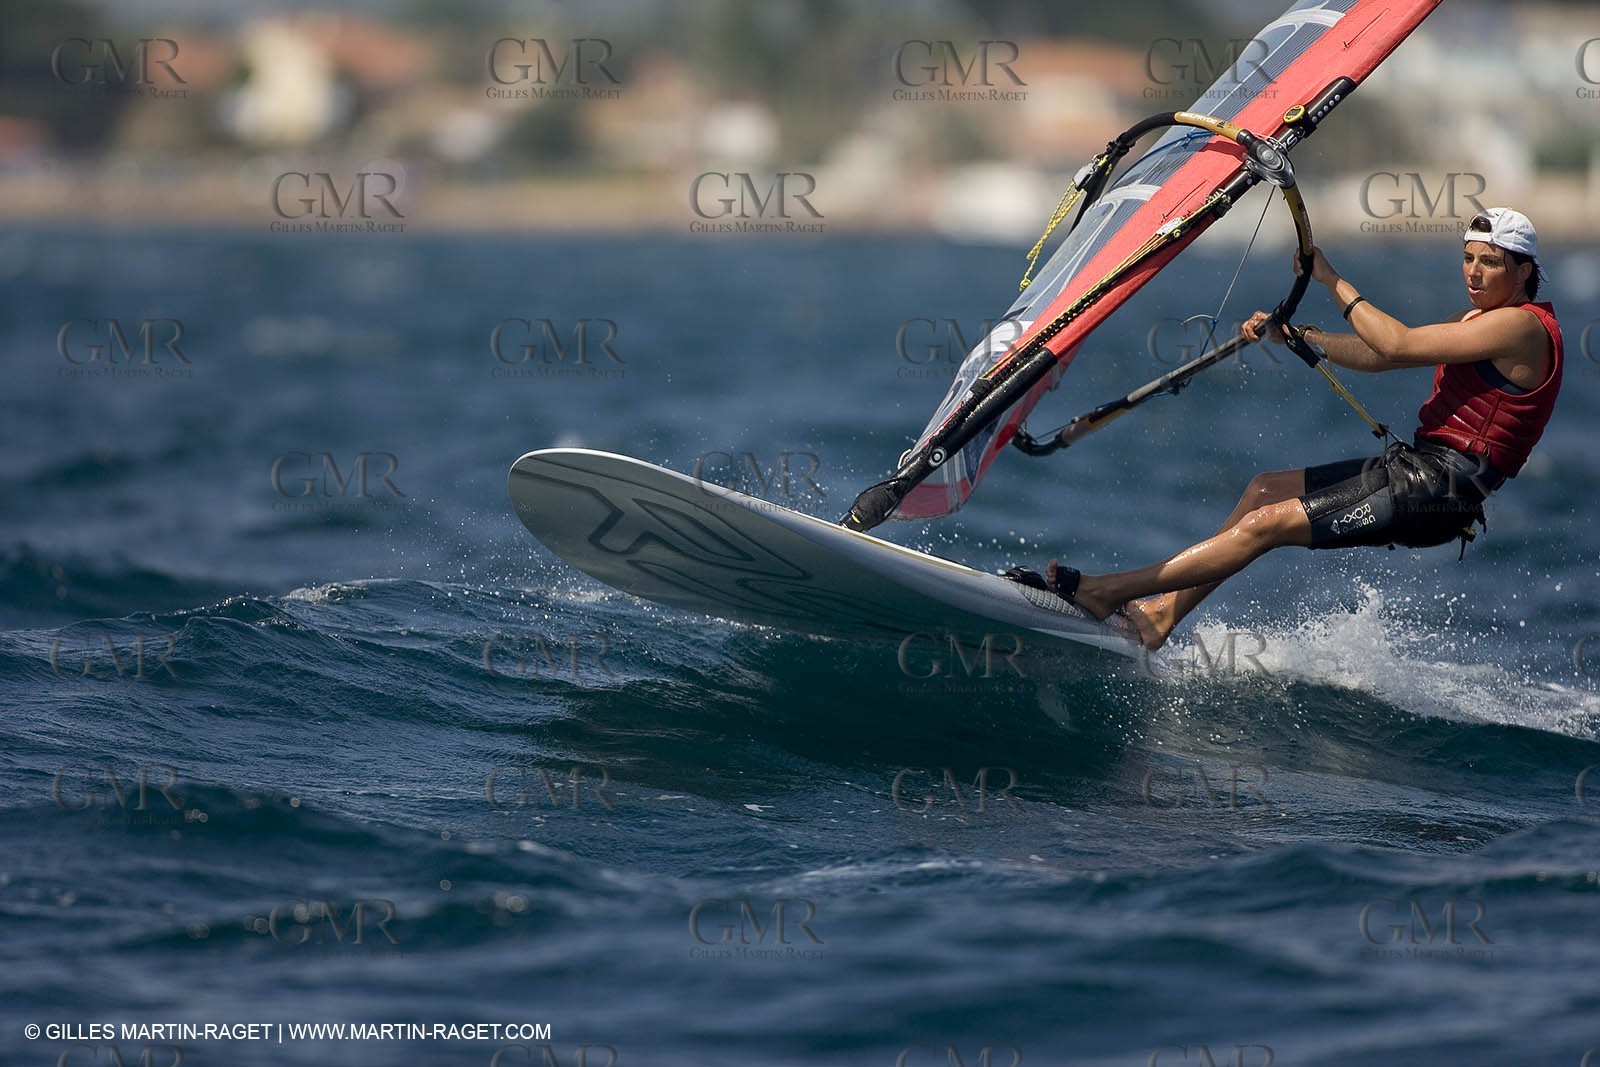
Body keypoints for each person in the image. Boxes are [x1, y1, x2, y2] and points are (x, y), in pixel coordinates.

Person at [1005, 207, 1563, 650]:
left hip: (1442, 490)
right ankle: (1159, 617)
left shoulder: (1522, 328)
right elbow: (1381, 357)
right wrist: (1301, 337)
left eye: (1489, 262)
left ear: (1523, 272)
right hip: (1417, 469)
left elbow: (1397, 342)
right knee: (1263, 492)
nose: (1473, 271)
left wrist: (1329, 277)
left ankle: (1105, 593)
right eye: (1468, 258)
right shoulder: (1482, 322)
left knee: (1268, 524)